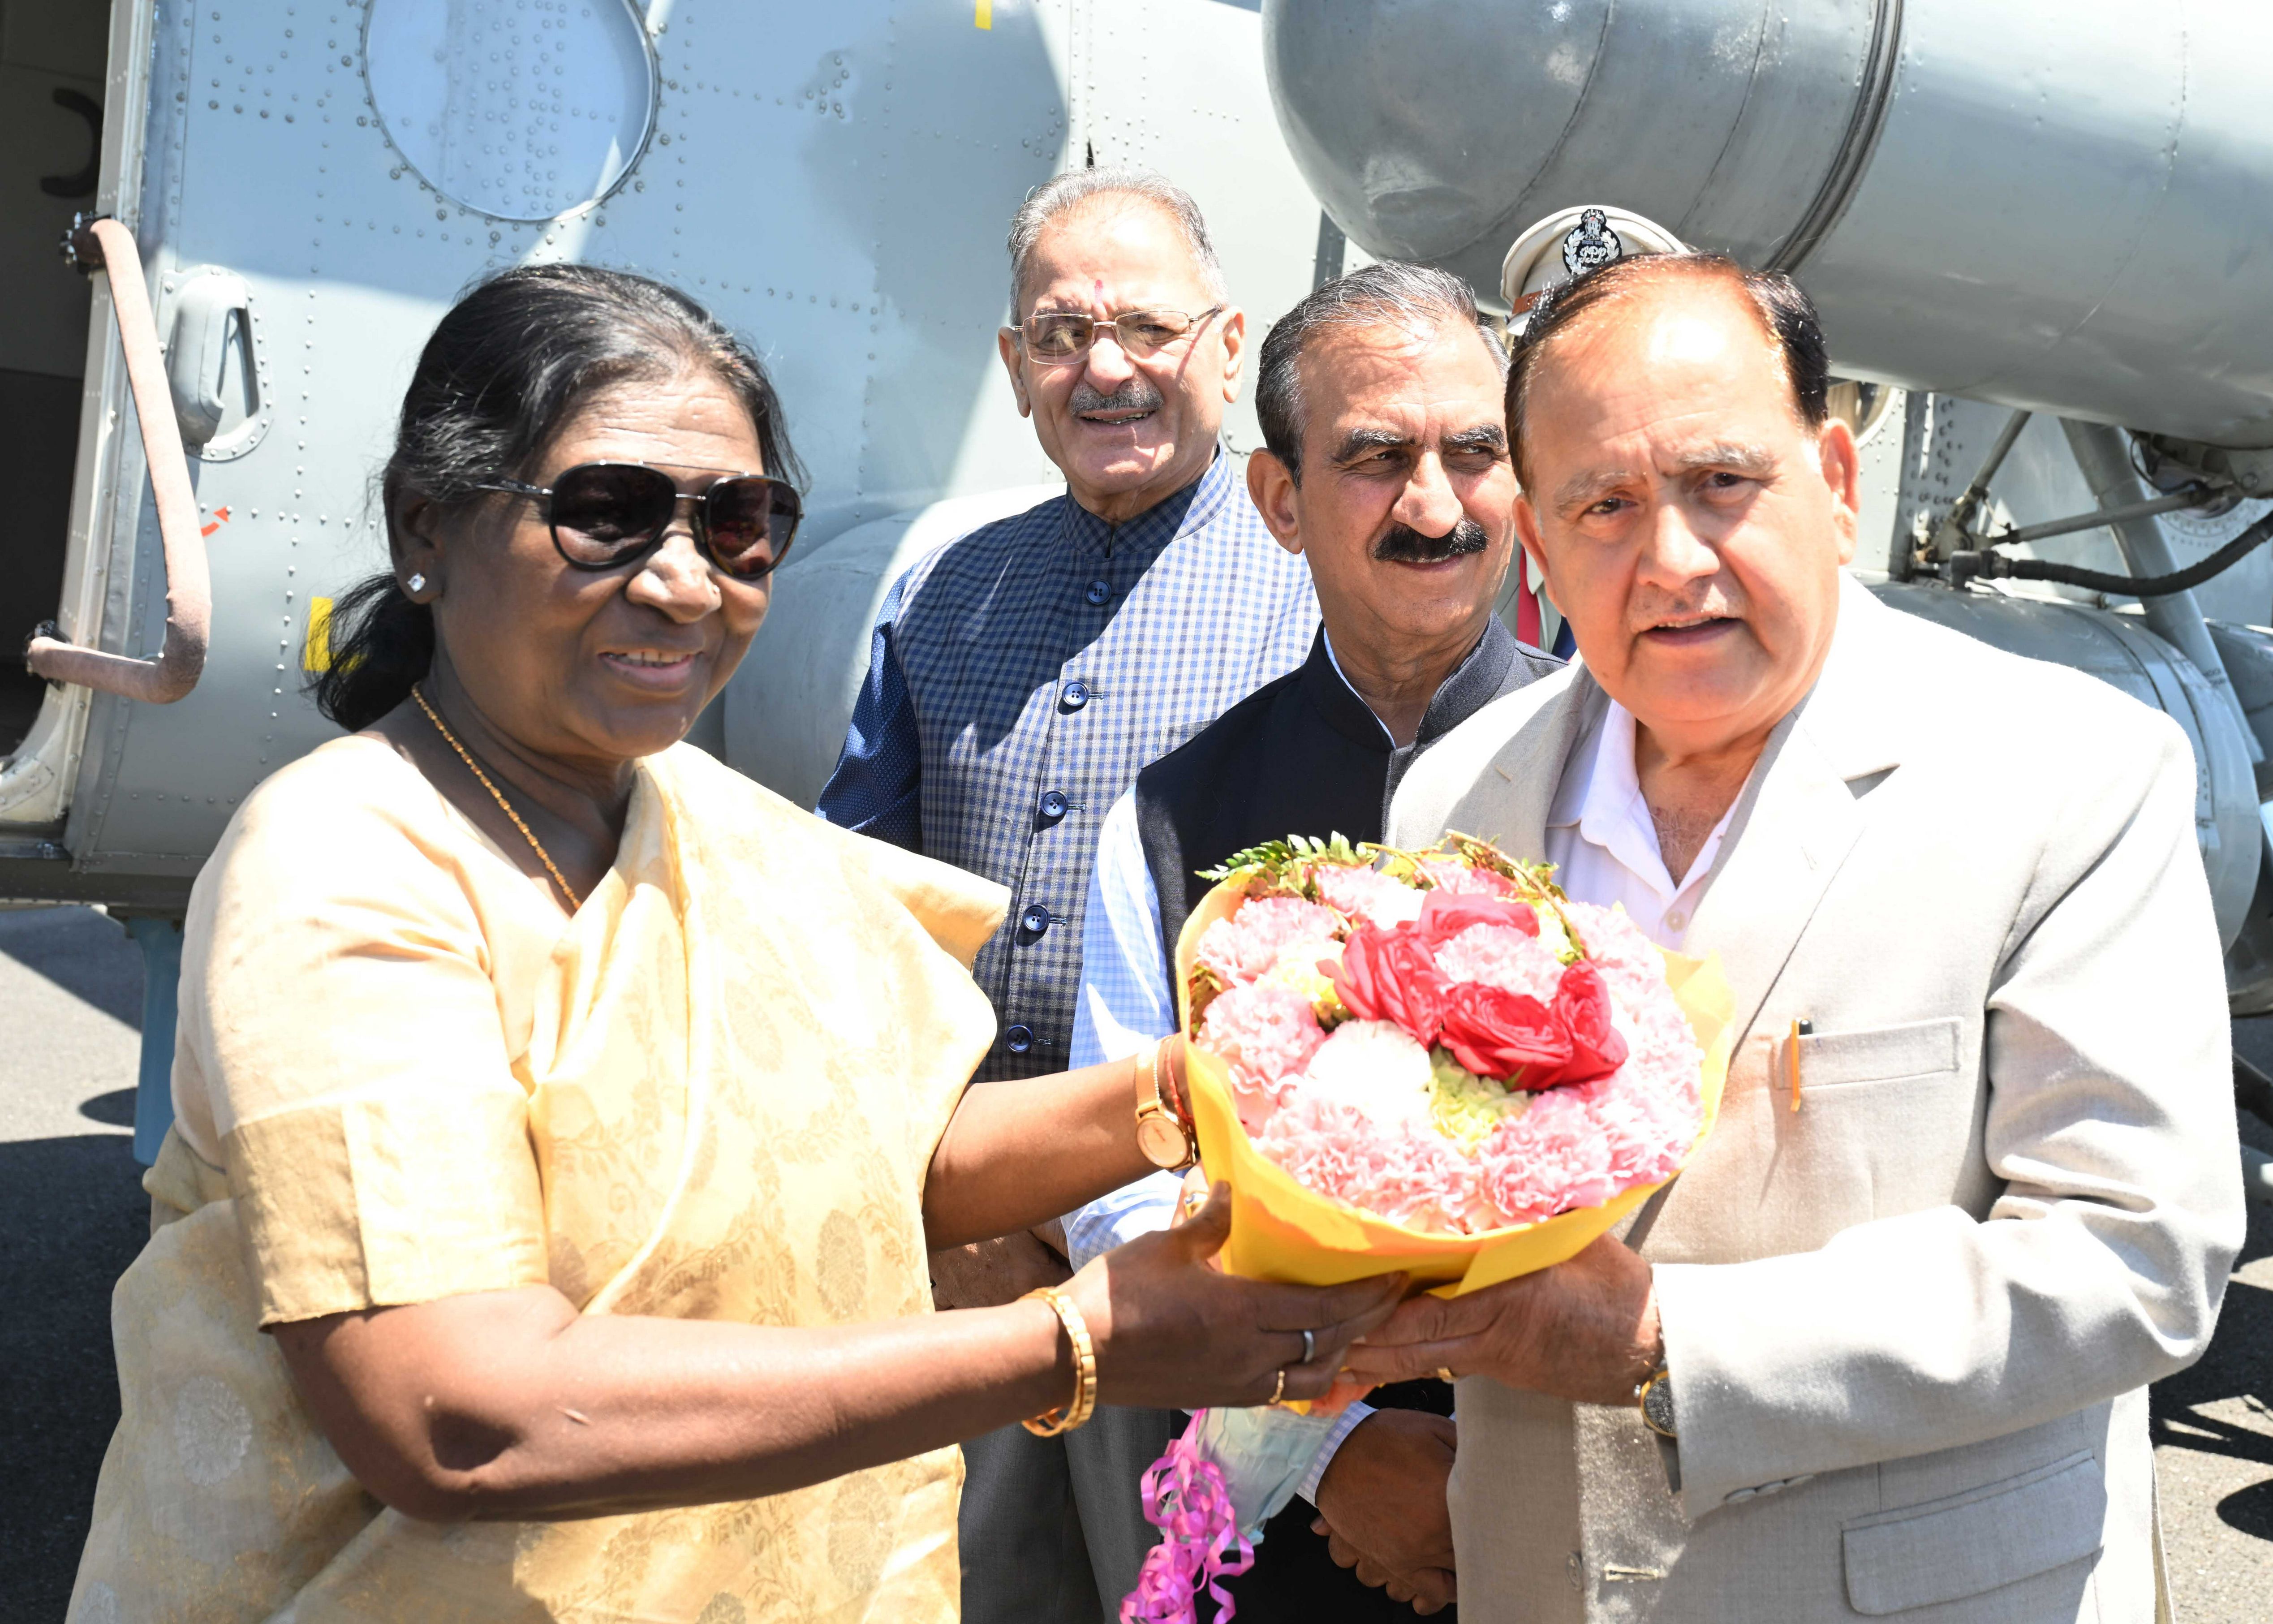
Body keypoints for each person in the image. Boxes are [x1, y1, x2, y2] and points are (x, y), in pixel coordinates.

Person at [67, 264, 1399, 1624]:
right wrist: (1073, 1343)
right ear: (430, 525)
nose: (682, 580)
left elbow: (890, 1155)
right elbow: (459, 1412)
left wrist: (1206, 1086)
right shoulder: (347, 864)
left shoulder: (718, 825)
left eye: (736, 522)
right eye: (604, 513)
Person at [1350, 253, 2243, 1621]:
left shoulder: (2069, 775)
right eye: (1603, 505)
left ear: (1833, 482)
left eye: (1722, 481)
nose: (1670, 560)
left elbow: (2133, 1256)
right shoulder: (1454, 799)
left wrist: (1664, 1341)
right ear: (1537, 542)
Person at [817, 169, 1320, 1619]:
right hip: (971, 1255)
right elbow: (856, 919)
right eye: (1060, 334)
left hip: (1212, 1264)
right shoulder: (941, 591)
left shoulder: (1317, 587)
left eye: (1147, 327)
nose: (1105, 368)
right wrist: (945, 1198)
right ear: (1013, 364)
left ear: (1227, 345)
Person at [1070, 261, 1564, 1618]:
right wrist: (1330, 1443)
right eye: (1375, 458)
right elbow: (1121, 1195)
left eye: (1476, 454)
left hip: (1582, 1491)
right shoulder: (1173, 819)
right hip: (1283, 1518)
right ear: (1279, 501)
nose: (1434, 506)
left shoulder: (1632, 778)